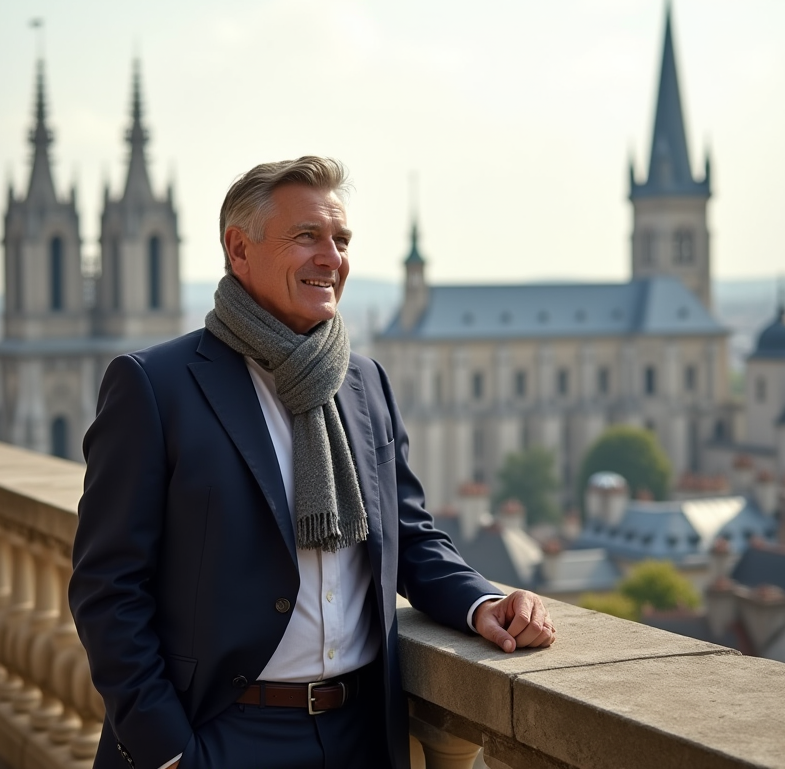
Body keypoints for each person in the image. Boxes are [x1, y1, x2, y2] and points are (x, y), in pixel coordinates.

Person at [69, 157, 556, 769]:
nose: (332, 258)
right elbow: (107, 589)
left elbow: (407, 536)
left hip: (359, 735)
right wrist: (168, 752)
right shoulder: (154, 386)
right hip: (218, 734)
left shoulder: (364, 382)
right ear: (239, 249)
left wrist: (482, 604)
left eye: (342, 240)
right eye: (308, 237)